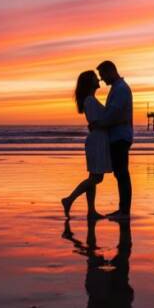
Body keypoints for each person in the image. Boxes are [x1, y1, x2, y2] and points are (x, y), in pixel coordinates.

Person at [62, 71, 112, 219]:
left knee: (93, 177)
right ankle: (69, 199)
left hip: (98, 139)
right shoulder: (90, 100)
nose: (99, 79)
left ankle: (91, 211)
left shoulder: (91, 99)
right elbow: (95, 122)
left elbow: (94, 123)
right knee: (96, 178)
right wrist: (112, 123)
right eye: (95, 78)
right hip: (97, 141)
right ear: (90, 82)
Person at [91, 61, 133, 220]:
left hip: (120, 137)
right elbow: (113, 113)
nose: (102, 80)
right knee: (120, 174)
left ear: (110, 71)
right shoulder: (118, 88)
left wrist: (98, 124)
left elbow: (115, 114)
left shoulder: (121, 89)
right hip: (118, 136)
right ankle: (122, 210)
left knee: (122, 174)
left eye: (103, 76)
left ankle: (124, 211)